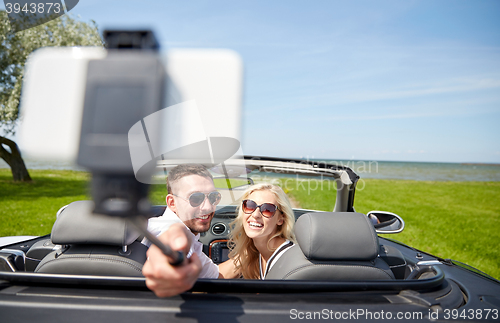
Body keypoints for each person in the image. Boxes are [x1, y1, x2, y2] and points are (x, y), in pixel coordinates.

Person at [142, 164, 222, 281]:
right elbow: (172, 252)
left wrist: (248, 251)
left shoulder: (190, 234)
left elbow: (216, 275)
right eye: (195, 198)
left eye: (213, 197)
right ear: (172, 203)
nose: (208, 207)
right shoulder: (167, 230)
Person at [219, 183, 296, 279]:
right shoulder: (255, 251)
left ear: (281, 219)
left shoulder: (287, 259)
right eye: (250, 206)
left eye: (267, 209)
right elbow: (215, 277)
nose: (255, 214)